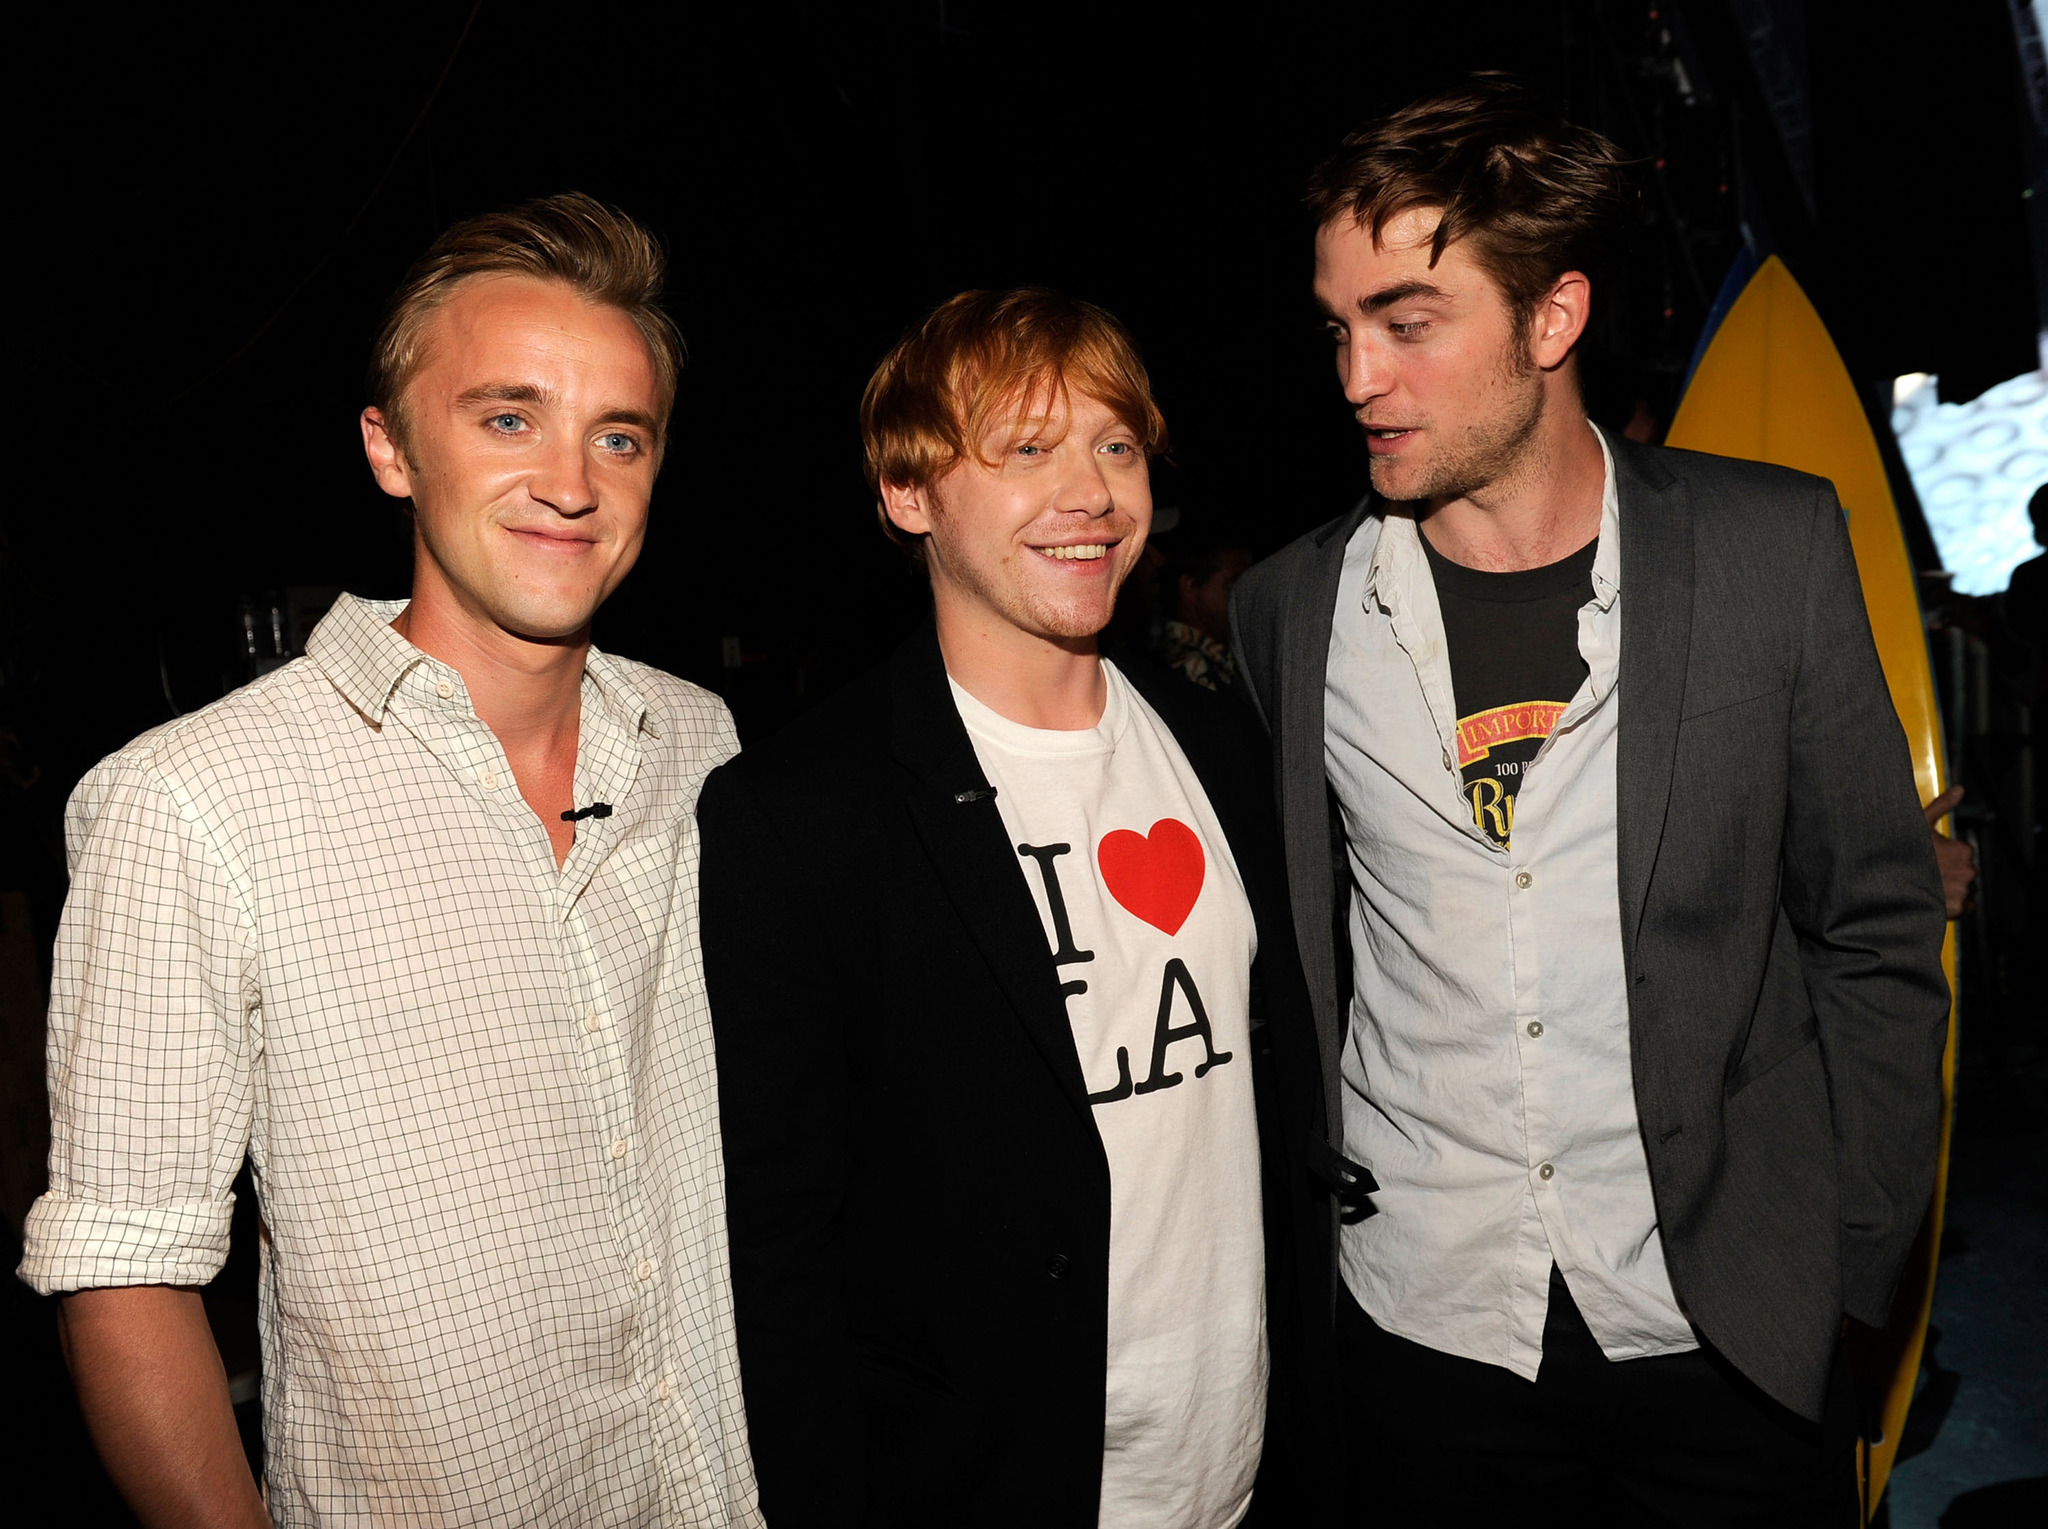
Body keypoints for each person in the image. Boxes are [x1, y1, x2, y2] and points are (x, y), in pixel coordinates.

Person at [1230, 79, 1950, 1524]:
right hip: (1425, 1332)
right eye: (1339, 328)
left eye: (1408, 322)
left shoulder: (1769, 551)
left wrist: (1858, 1261)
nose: (1359, 374)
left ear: (1551, 320)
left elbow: (1874, 928)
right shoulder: (1289, 608)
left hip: (1725, 1322)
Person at [20, 194, 762, 1527]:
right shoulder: (192, 801)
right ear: (390, 448)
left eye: (619, 435)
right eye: (507, 417)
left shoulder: (701, 748)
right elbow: (123, 1270)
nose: (571, 480)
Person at [698, 288, 1337, 1527]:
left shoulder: (1226, 746)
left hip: (1255, 1465)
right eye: (1027, 449)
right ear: (906, 491)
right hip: (986, 1477)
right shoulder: (800, 811)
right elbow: (784, 1249)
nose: (1092, 491)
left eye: (1115, 441)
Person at [1156, 527, 1256, 696]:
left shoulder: (1223, 658)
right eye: (1231, 585)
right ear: (1190, 586)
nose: (1246, 598)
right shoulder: (1187, 665)